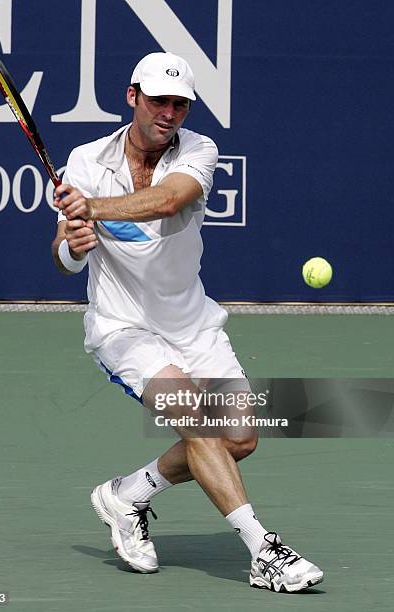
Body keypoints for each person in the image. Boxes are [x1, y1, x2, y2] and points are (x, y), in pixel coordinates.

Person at [52, 51, 323, 593]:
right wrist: (75, 245)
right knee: (198, 421)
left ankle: (128, 493)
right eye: (158, 100)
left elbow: (169, 200)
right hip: (124, 328)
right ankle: (263, 552)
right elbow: (64, 250)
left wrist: (93, 210)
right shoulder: (85, 159)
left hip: (194, 324)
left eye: (180, 104)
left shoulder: (199, 150)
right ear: (133, 97)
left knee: (240, 436)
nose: (169, 113)